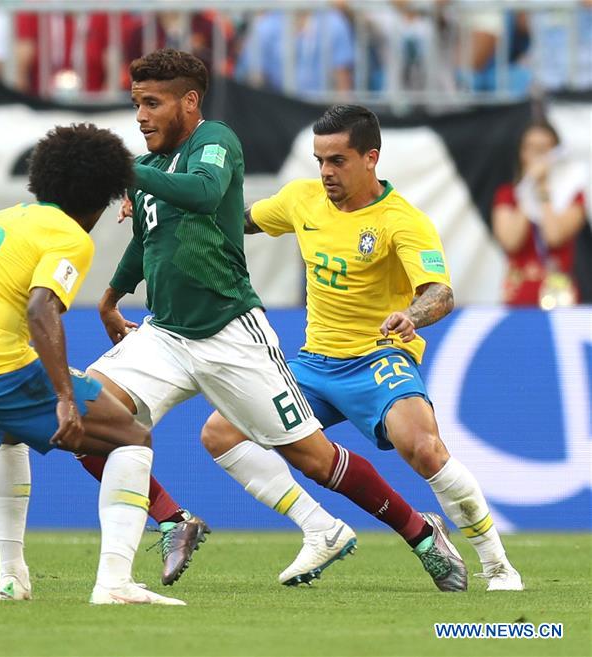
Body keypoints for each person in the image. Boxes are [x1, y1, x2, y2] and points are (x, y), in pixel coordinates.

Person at [72, 49, 466, 592]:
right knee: (84, 418)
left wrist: (129, 173)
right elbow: (148, 240)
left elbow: (207, 193)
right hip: (164, 333)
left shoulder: (214, 142)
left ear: (189, 102)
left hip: (232, 333)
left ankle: (418, 530)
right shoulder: (155, 167)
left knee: (312, 456)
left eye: (152, 103)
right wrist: (112, 297)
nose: (140, 115)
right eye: (136, 103)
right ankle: (168, 524)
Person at [200, 104, 524, 592]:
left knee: (423, 448)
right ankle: (319, 527)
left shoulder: (402, 220)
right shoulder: (301, 200)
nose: (326, 172)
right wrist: (173, 207)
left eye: (338, 160)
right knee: (219, 433)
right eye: (320, 160)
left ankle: (498, 566)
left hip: (378, 357)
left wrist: (409, 316)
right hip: (312, 363)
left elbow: (441, 293)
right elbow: (238, 221)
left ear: (370, 158)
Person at [0, 123, 183, 606]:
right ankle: (115, 583)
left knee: (8, 432)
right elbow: (41, 309)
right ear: (102, 195)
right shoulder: (69, 235)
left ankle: (12, 577)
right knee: (132, 437)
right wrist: (64, 398)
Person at [492, 119, 587, 308]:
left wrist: (543, 190)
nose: (537, 155)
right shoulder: (507, 195)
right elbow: (510, 241)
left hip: (558, 292)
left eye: (544, 149)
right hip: (519, 292)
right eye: (531, 148)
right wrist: (527, 188)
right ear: (521, 152)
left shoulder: (573, 195)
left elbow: (554, 236)